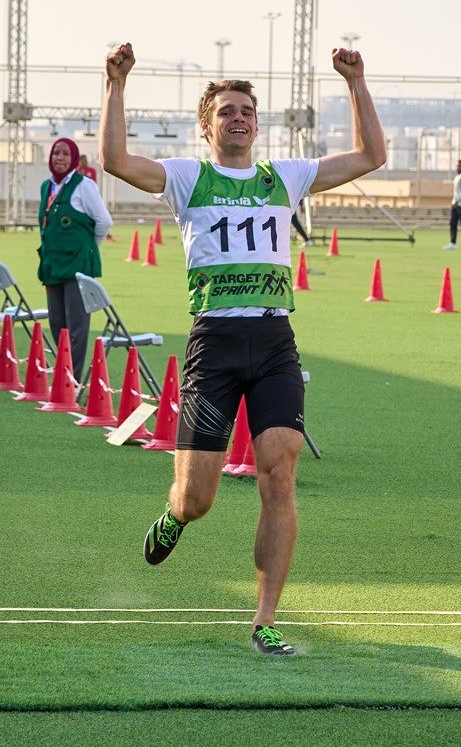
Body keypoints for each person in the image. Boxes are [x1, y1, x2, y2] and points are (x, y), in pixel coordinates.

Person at [100, 42, 385, 656]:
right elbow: (116, 158)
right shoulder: (186, 177)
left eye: (247, 110)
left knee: (279, 474)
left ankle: (264, 621)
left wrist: (356, 83)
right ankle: (174, 514)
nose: (239, 117)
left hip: (275, 338)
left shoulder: (284, 177)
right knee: (199, 497)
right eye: (227, 110)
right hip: (215, 343)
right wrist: (115, 84)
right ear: (207, 125)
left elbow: (370, 155)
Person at [37, 137, 112, 373]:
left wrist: (89, 246)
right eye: (56, 153)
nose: (60, 158)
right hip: (52, 264)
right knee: (57, 324)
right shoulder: (46, 187)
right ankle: (62, 375)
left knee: (76, 326)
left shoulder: (84, 185)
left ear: (74, 159)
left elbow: (103, 221)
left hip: (77, 265)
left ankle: (74, 379)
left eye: (66, 154)